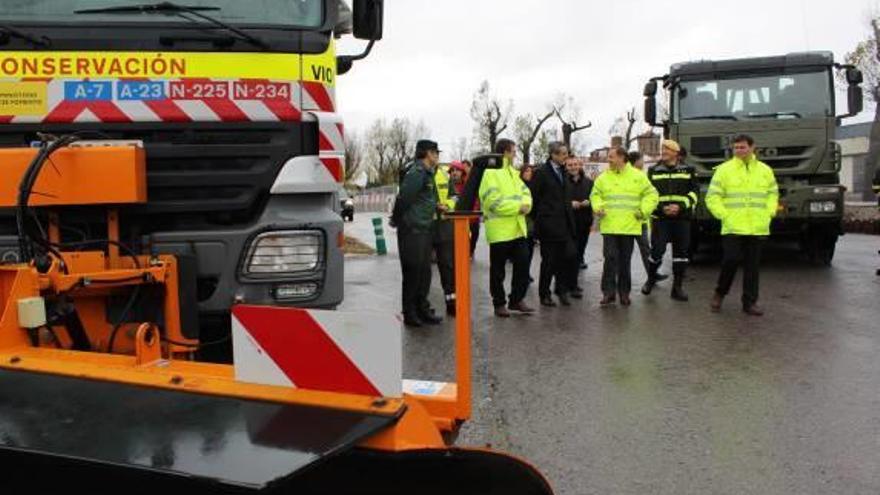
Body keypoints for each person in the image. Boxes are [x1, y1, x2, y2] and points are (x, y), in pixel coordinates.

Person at [707, 134, 779, 316]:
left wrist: (770, 211)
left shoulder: (765, 170)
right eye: (736, 147)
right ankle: (719, 293)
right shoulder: (723, 170)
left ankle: (750, 302)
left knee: (752, 266)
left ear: (752, 147)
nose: (739, 150)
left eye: (742, 147)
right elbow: (712, 197)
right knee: (730, 261)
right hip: (733, 225)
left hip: (757, 225)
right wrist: (724, 215)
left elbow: (773, 193)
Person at [591, 146, 659, 307]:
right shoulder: (603, 177)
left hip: (629, 227)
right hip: (609, 227)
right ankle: (608, 293)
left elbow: (652, 194)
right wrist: (597, 206)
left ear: (622, 157)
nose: (609, 160)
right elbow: (595, 194)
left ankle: (624, 293)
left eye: (611, 157)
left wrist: (643, 211)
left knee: (624, 261)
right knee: (610, 260)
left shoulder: (638, 176)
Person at [479, 139, 535, 317]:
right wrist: (518, 207)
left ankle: (516, 300)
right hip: (499, 231)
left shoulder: (513, 172)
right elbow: (493, 202)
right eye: (513, 151)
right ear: (504, 153)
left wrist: (525, 204)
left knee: (523, 265)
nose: (515, 155)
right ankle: (499, 303)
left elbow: (526, 194)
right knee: (498, 271)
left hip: (517, 229)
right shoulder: (490, 174)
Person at [396, 139, 445, 326]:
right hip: (413, 230)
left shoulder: (427, 173)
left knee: (424, 272)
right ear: (428, 154)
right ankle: (410, 312)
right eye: (436, 152)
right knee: (413, 272)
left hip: (424, 228)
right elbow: (404, 199)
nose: (438, 156)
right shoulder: (416, 172)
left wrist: (435, 205)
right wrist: (398, 220)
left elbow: (422, 199)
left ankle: (422, 308)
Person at [642, 139, 699, 301]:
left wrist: (680, 207)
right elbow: (648, 195)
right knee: (656, 252)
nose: (663, 152)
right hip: (661, 219)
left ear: (676, 152)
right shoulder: (653, 171)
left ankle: (677, 288)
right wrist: (661, 208)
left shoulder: (689, 170)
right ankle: (651, 280)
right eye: (662, 149)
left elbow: (695, 193)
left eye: (667, 150)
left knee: (681, 254)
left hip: (682, 219)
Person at [530, 142, 577, 307]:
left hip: (565, 225)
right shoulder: (541, 173)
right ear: (554, 155)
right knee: (549, 262)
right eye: (563, 154)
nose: (566, 156)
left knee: (566, 259)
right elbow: (533, 199)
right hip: (548, 226)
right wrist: (542, 219)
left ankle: (561, 290)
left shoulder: (563, 171)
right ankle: (544, 294)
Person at [628, 151, 667, 286]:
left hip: (639, 220)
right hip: (634, 220)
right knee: (642, 250)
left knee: (645, 250)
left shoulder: (638, 174)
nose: (643, 162)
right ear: (636, 161)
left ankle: (652, 275)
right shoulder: (637, 175)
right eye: (642, 159)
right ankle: (652, 275)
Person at [565, 156, 593, 298]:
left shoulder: (589, 182)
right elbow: (557, 200)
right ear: (566, 166)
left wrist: (590, 202)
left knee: (578, 255)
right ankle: (566, 285)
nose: (573, 167)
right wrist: (570, 204)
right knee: (569, 254)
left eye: (575, 164)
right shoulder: (562, 182)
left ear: (580, 165)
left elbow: (596, 197)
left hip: (584, 223)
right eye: (570, 165)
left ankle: (572, 284)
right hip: (568, 225)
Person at [432, 162, 457, 316]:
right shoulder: (415, 173)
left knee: (448, 266)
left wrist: (446, 205)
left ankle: (451, 302)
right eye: (433, 153)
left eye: (437, 154)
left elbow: (454, 196)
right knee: (421, 270)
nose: (436, 157)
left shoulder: (444, 175)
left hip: (444, 226)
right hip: (424, 226)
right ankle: (420, 306)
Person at [460, 159, 481, 258]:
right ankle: (466, 251)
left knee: (475, 233)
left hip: (475, 211)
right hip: (465, 211)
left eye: (466, 166)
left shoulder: (476, 179)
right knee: (464, 234)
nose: (464, 168)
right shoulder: (461, 179)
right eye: (462, 167)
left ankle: (471, 250)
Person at [520, 164, 537, 282]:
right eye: (526, 171)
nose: (529, 173)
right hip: (522, 220)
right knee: (523, 251)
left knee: (530, 249)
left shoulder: (535, 186)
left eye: (530, 171)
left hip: (532, 221)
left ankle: (526, 272)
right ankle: (523, 273)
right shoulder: (519, 185)